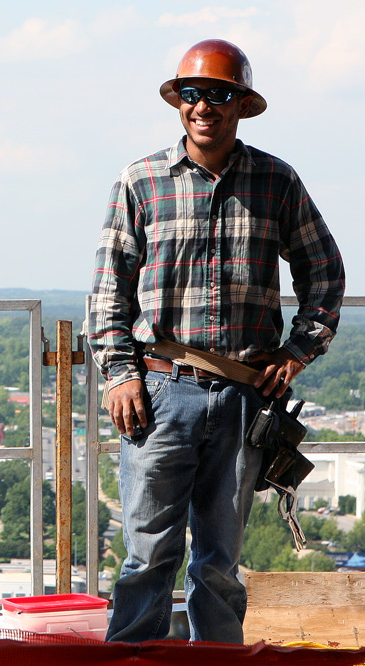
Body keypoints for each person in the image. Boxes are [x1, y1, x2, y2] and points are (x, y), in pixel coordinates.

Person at [88, 39, 344, 644]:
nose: (205, 106)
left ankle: (220, 663)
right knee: (147, 557)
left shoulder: (276, 182)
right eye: (194, 94)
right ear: (179, 102)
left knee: (219, 567)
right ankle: (133, 660)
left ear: (241, 105)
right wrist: (121, 375)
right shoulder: (141, 181)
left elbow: (324, 271)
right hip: (157, 396)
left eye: (219, 94)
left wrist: (298, 350)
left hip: (242, 400)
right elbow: (108, 289)